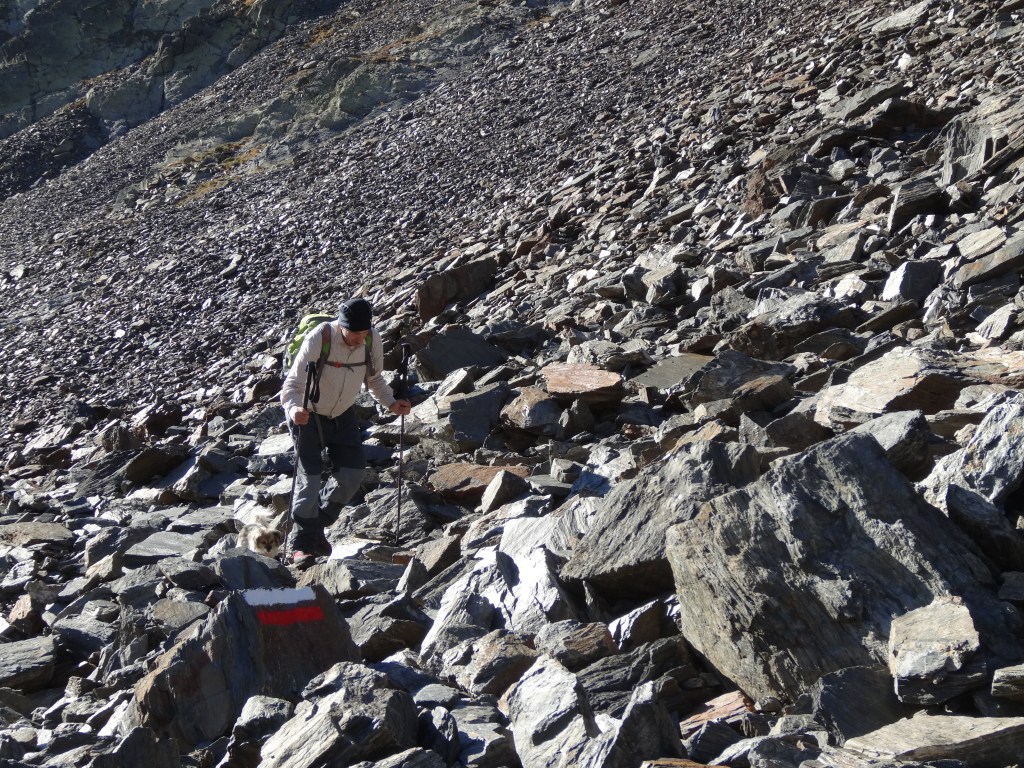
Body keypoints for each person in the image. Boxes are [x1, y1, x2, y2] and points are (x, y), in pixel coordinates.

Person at [280, 297, 412, 563]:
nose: (360, 339)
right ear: (342, 327)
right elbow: (292, 385)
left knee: (353, 474)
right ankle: (301, 546)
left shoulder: (371, 340)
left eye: (364, 333)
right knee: (311, 479)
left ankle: (314, 527)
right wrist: (295, 410)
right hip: (309, 416)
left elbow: (374, 379)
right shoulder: (321, 338)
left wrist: (391, 403)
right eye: (355, 334)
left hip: (343, 415)